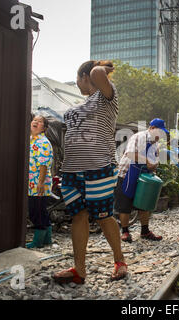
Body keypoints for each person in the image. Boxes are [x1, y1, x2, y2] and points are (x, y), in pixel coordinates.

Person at [52, 60, 127, 284]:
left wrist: (102, 68)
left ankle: (120, 261)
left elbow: (97, 72)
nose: (76, 84)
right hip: (72, 171)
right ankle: (79, 270)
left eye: (77, 78)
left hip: (98, 168)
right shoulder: (79, 106)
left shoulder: (107, 98)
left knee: (103, 217)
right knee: (78, 216)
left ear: (86, 76)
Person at [115, 119, 169, 243]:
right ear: (152, 128)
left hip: (144, 176)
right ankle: (125, 232)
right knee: (125, 204)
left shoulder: (155, 144)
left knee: (144, 203)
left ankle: (145, 231)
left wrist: (154, 165)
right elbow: (130, 154)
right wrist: (147, 162)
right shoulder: (139, 137)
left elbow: (154, 159)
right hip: (127, 174)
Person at [27, 115, 54, 248]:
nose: (36, 122)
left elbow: (43, 164)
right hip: (32, 183)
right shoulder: (31, 140)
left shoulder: (43, 142)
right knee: (41, 210)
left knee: (35, 211)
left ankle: (38, 241)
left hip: (38, 183)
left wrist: (40, 183)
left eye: (40, 121)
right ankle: (47, 239)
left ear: (44, 127)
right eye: (35, 120)